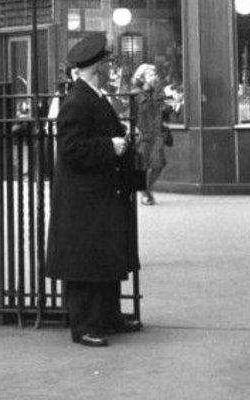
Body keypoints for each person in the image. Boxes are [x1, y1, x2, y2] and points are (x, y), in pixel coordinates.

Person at [44, 34, 143, 348]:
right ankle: (85, 324)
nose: (109, 69)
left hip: (95, 194)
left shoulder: (93, 96)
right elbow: (71, 148)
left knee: (103, 257)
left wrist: (122, 137)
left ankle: (108, 315)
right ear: (95, 68)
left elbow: (99, 135)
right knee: (87, 263)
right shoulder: (78, 100)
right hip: (84, 197)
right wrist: (109, 145)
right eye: (105, 64)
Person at [130, 63, 172, 206]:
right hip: (143, 135)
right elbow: (130, 114)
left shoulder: (157, 93)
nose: (155, 77)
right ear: (142, 77)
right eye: (151, 74)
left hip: (157, 134)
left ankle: (147, 189)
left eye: (155, 74)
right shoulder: (135, 94)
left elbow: (161, 111)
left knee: (158, 165)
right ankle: (144, 193)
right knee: (143, 166)